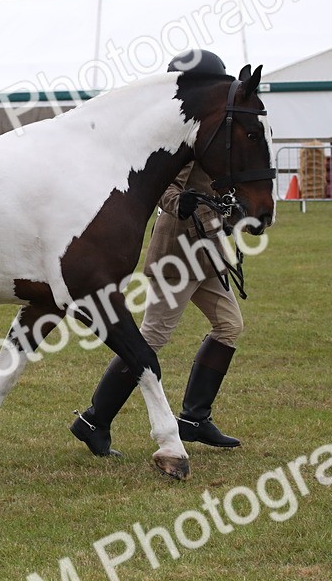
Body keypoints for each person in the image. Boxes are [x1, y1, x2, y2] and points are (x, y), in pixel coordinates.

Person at [70, 49, 246, 457]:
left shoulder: (212, 132)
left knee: (229, 326)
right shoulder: (179, 138)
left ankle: (194, 418)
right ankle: (94, 419)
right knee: (152, 336)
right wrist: (185, 201)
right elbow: (165, 192)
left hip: (209, 251)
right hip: (178, 252)